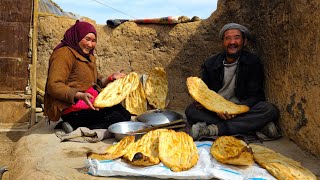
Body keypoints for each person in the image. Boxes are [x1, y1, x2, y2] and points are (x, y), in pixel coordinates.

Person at [185, 23, 280, 140]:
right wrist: (214, 108)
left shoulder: (253, 62)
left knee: (269, 110)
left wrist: (235, 109)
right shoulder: (210, 63)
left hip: (240, 108)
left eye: (237, 37)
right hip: (217, 111)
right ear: (223, 43)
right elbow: (204, 94)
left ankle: (211, 130)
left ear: (244, 41)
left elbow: (256, 96)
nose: (232, 42)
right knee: (191, 111)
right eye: (228, 38)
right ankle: (254, 126)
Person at [44, 20, 131, 133]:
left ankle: (79, 123)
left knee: (124, 114)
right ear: (77, 36)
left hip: (90, 102)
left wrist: (111, 78)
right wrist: (79, 95)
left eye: (94, 41)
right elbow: (54, 85)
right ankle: (71, 123)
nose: (90, 44)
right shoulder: (63, 54)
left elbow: (94, 80)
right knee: (118, 118)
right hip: (72, 108)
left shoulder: (86, 56)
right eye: (87, 39)